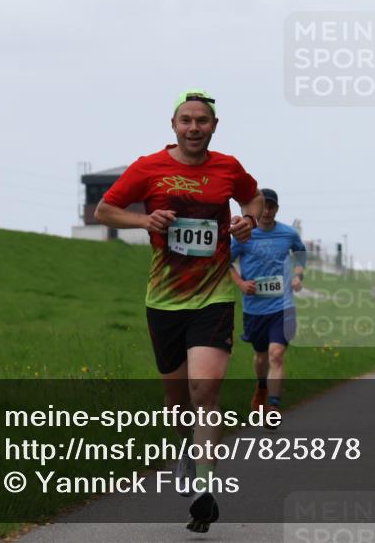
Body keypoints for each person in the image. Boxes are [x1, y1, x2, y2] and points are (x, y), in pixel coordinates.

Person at [94, 90, 263, 534]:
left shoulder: (228, 167)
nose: (194, 128)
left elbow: (253, 199)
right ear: (173, 125)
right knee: (177, 404)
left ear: (214, 126)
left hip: (214, 296)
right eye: (186, 120)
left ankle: (204, 490)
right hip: (165, 299)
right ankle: (187, 450)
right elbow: (105, 209)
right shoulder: (148, 167)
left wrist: (247, 220)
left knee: (204, 392)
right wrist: (143, 220)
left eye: (202, 121)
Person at [229, 188, 306, 428]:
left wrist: (298, 275)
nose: (267, 211)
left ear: (277, 209)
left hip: (282, 306)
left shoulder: (288, 233)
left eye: (271, 207)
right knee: (261, 355)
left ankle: (273, 406)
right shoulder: (244, 234)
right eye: (264, 206)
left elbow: (300, 252)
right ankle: (262, 386)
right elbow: (225, 261)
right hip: (254, 308)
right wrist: (241, 283)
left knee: (276, 354)